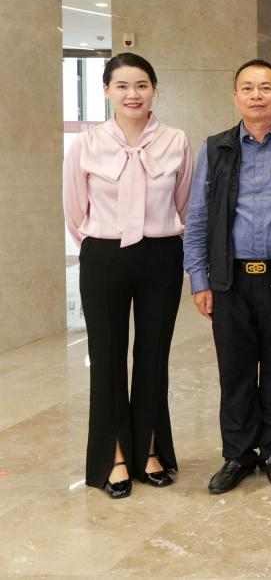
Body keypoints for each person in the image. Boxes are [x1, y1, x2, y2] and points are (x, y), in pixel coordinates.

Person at [184, 60, 271, 494]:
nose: (256, 95)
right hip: (230, 279)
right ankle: (238, 454)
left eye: (265, 87)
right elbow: (197, 218)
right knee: (235, 372)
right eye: (247, 88)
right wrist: (199, 279)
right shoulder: (216, 148)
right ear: (235, 96)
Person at [63, 53, 193, 498]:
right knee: (107, 358)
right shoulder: (86, 144)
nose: (132, 94)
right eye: (121, 86)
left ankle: (150, 451)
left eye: (141, 85)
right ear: (106, 91)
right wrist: (99, 247)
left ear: (154, 89)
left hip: (161, 255)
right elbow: (74, 209)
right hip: (104, 256)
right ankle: (114, 456)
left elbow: (184, 203)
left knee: (154, 356)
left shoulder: (176, 140)